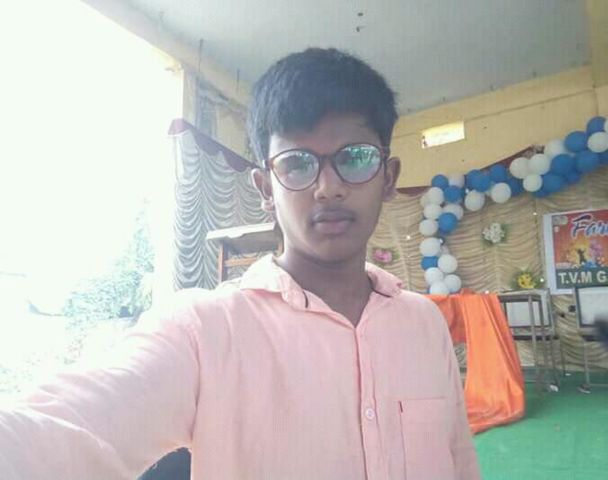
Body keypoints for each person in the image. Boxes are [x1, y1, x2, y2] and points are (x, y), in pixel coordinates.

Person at [0, 47, 480, 480]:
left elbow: (458, 460)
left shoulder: (424, 323)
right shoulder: (206, 331)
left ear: (388, 177)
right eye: (297, 163)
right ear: (266, 189)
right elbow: (66, 426)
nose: (328, 187)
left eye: (354, 158)